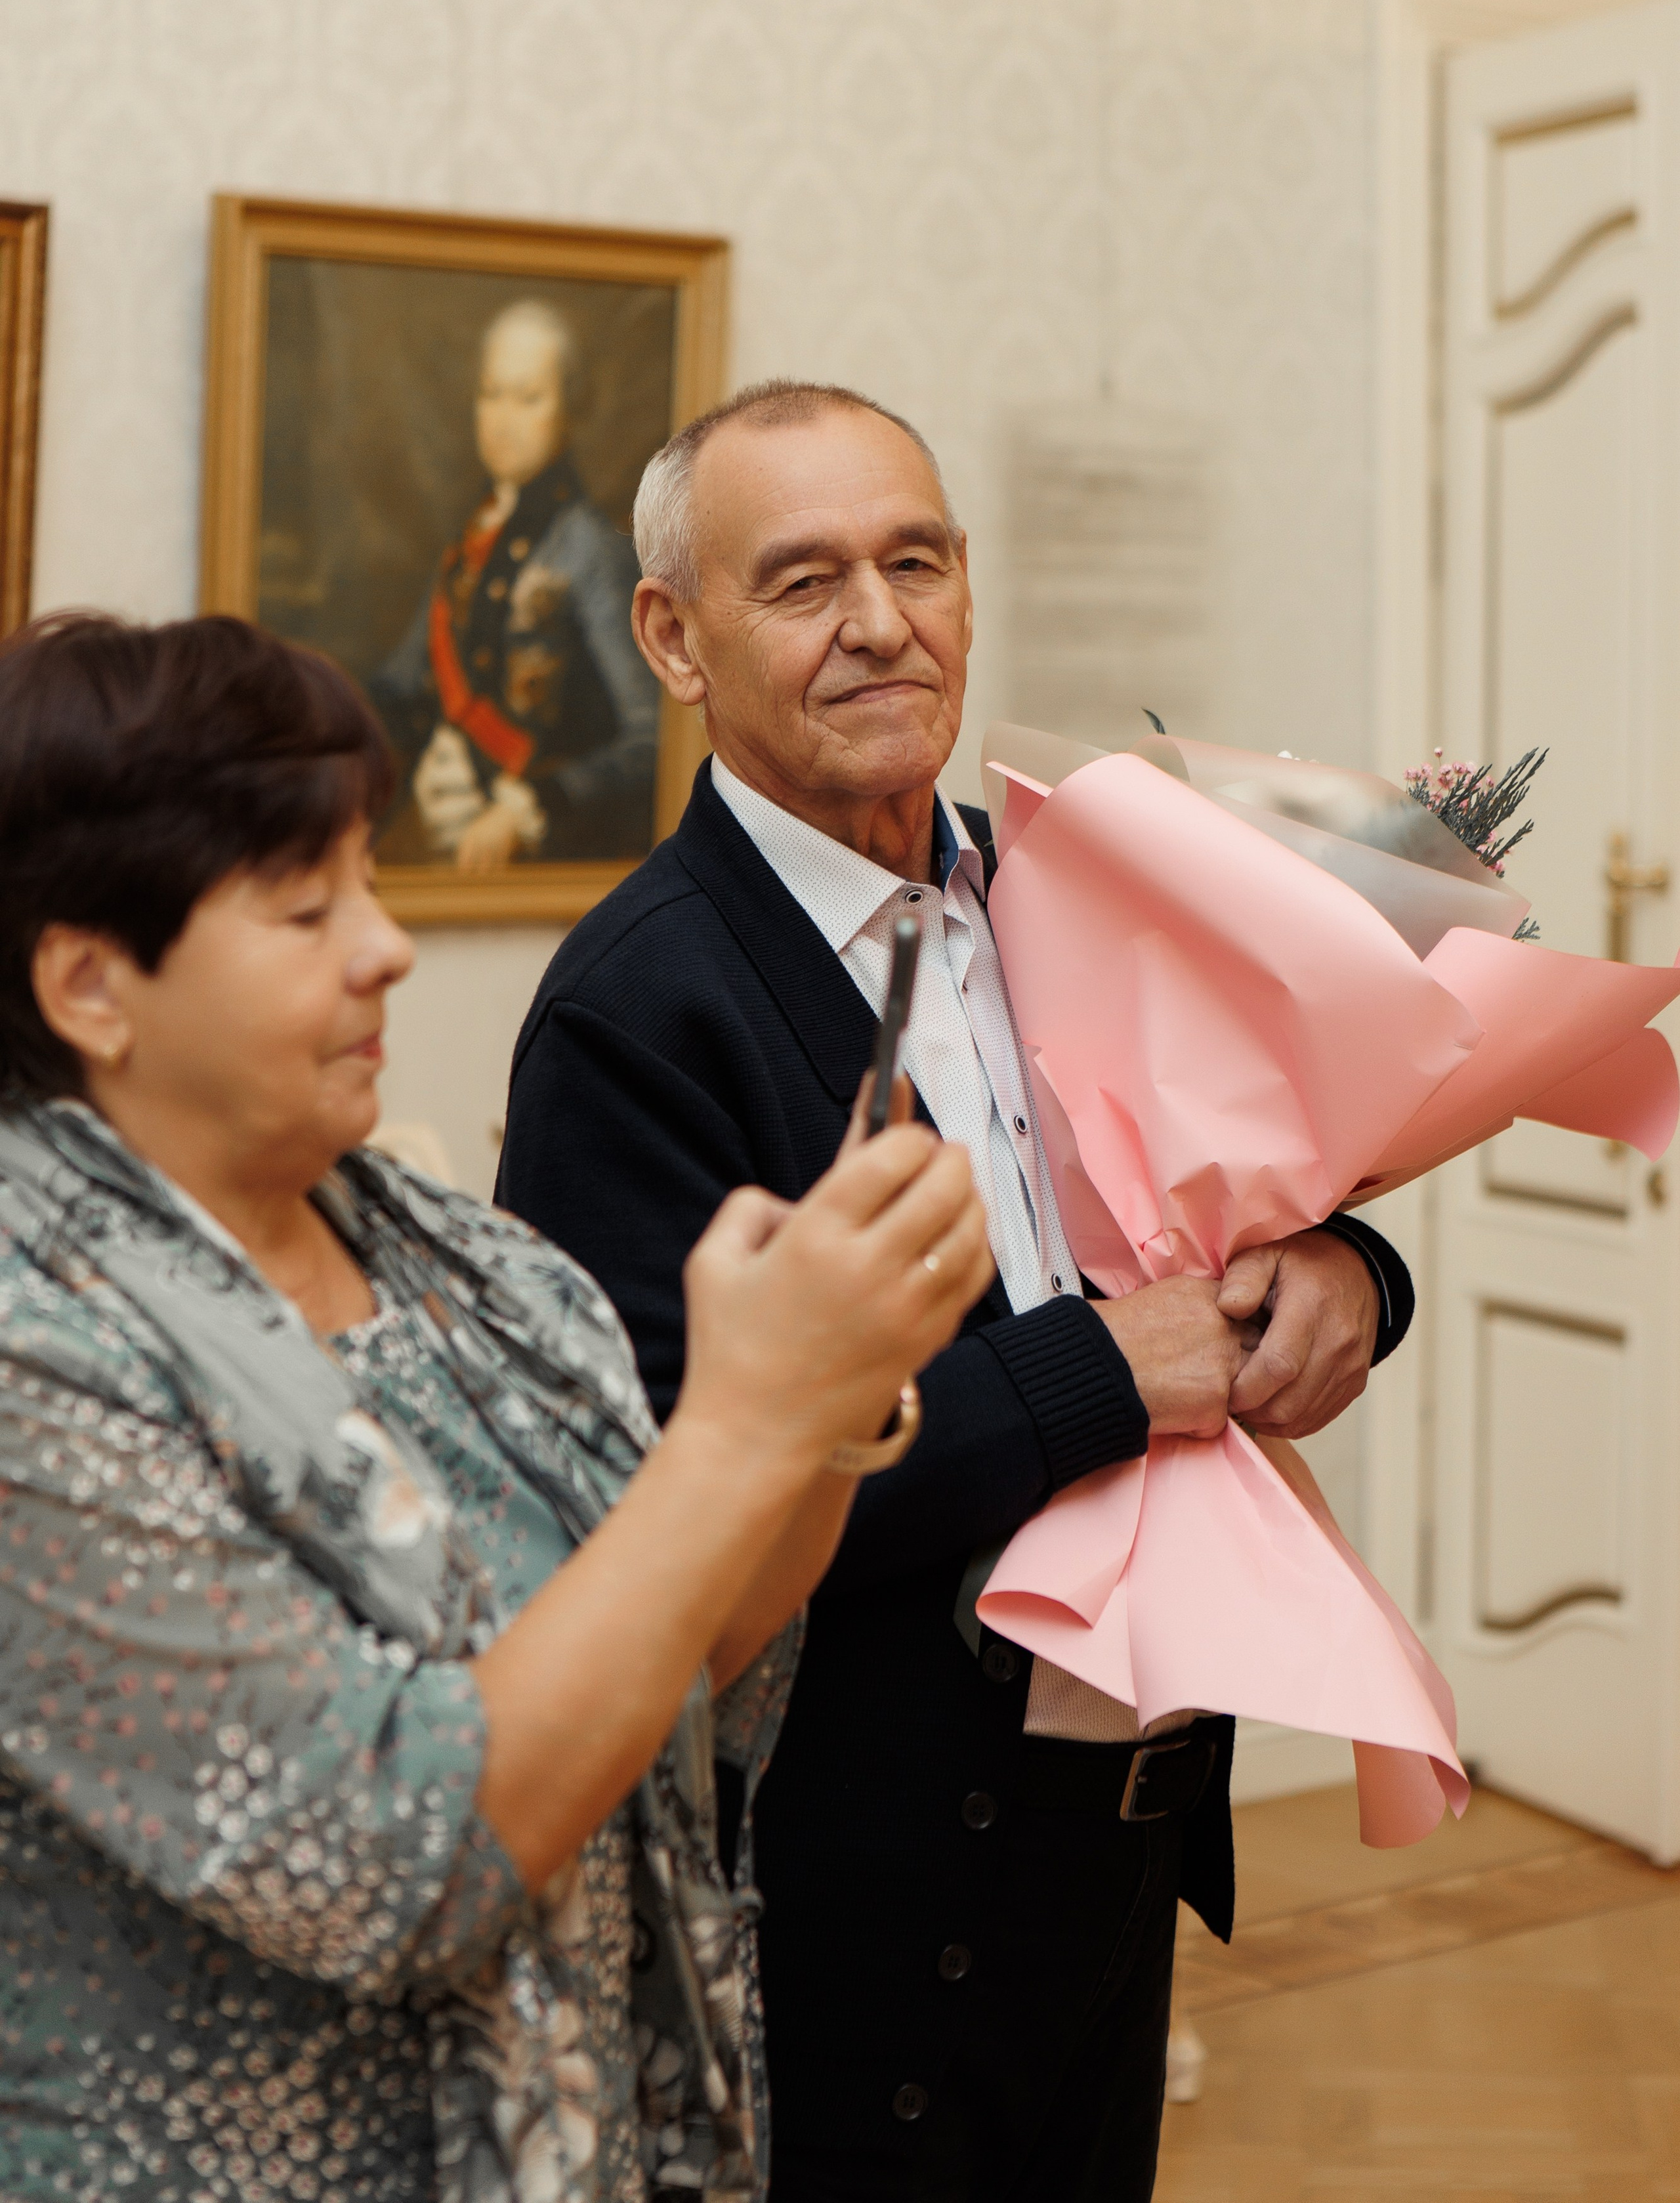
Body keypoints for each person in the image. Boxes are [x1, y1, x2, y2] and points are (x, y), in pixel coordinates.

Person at [497, 381, 1416, 2203]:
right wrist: (1098, 1376)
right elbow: (674, 1506)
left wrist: (1350, 1274)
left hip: (1111, 1825)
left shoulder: (1072, 899)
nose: (879, 624)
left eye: (915, 561)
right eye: (805, 580)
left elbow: (1246, 1195)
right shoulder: (635, 1012)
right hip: (855, 1871)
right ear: (672, 637)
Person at [0, 609, 993, 2203]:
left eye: (370, 880)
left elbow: (691, 1658)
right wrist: (740, 1423)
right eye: (303, 903)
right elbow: (391, 1852)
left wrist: (827, 1389)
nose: (384, 944)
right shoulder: (31, 1343)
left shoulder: (454, 1253)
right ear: (90, 983)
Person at [369, 298, 661, 872]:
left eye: (528, 398)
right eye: (491, 394)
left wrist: (531, 807)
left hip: (537, 855)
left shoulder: (591, 551)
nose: (503, 418)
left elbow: (651, 741)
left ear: (568, 412)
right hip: (436, 822)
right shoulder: (470, 536)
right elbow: (401, 688)